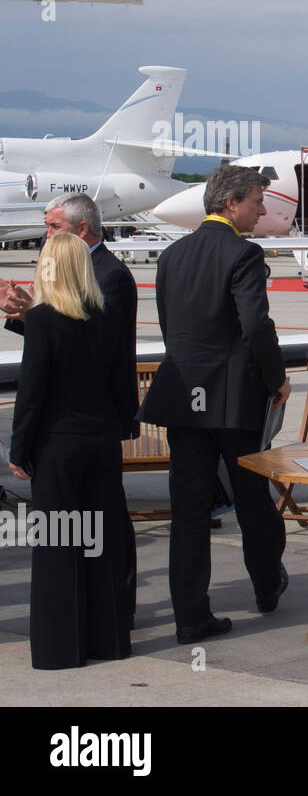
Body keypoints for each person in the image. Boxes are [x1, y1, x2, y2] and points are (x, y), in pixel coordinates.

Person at [139, 164, 292, 644]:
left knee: (188, 510)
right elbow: (255, 324)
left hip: (184, 395)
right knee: (252, 500)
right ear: (231, 204)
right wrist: (277, 379)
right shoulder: (243, 254)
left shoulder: (173, 254)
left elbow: (171, 326)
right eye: (256, 201)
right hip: (231, 399)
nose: (262, 209)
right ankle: (266, 584)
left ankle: (190, 615)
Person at [1, 193, 140, 625]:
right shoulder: (81, 274)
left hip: (80, 429)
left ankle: (101, 616)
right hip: (87, 428)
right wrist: (31, 317)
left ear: (81, 231)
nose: (46, 237)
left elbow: (87, 353)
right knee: (88, 530)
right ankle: (101, 622)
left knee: (94, 532)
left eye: (54, 227)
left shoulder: (110, 275)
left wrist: (37, 319)